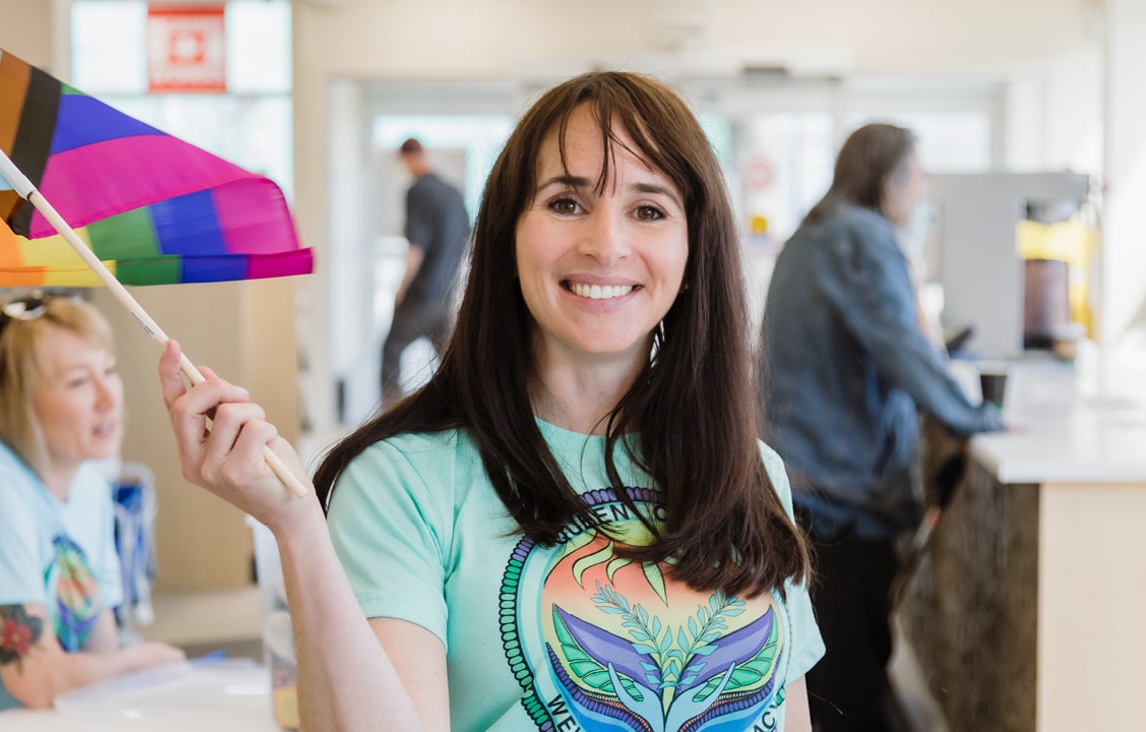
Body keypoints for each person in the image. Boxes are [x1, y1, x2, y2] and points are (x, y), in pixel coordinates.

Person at [160, 71, 823, 731]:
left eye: (648, 210)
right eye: (567, 203)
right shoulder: (405, 481)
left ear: (692, 253)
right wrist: (298, 532)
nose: (606, 244)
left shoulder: (747, 469)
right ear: (507, 236)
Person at [758, 123, 1004, 731]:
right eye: (916, 180)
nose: (919, 195)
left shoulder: (817, 232)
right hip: (840, 495)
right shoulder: (859, 238)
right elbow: (903, 348)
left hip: (811, 483)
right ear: (890, 179)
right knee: (849, 681)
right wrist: (973, 416)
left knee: (833, 667)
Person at [0, 292, 184, 732]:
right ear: (18, 401)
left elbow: (100, 651)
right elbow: (36, 679)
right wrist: (141, 660)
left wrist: (130, 667)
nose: (109, 398)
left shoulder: (88, 486)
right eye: (79, 382)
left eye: (109, 371)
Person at [380, 137, 472, 406]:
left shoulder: (417, 191)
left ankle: (389, 414)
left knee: (391, 351)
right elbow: (466, 241)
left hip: (422, 292)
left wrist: (402, 287)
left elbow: (416, 247)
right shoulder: (453, 192)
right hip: (446, 295)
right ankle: (460, 413)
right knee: (450, 362)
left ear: (408, 157)